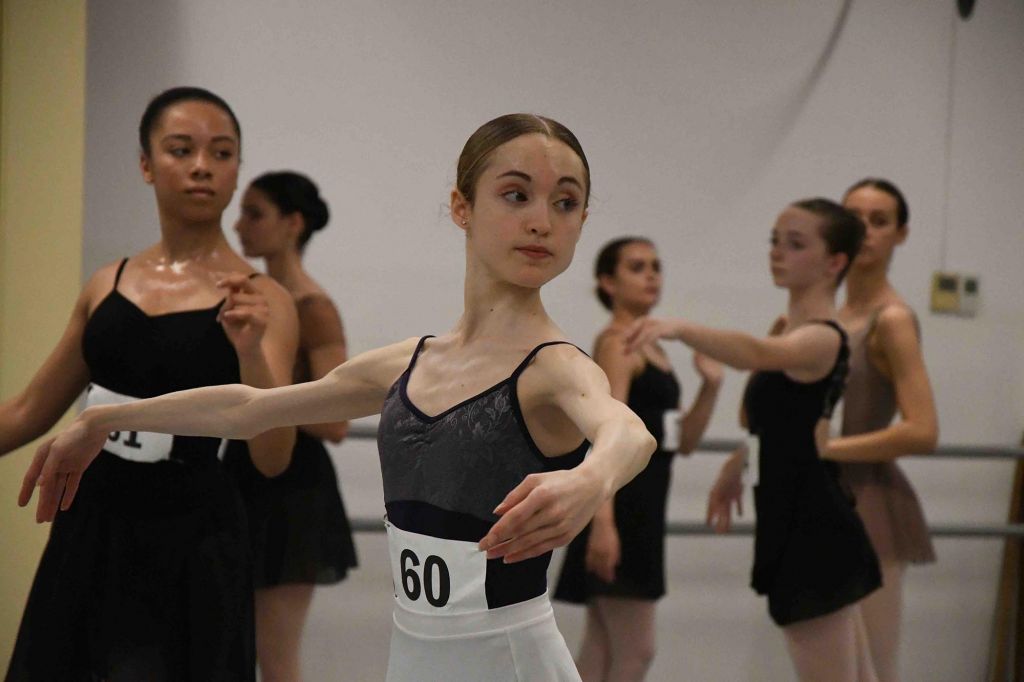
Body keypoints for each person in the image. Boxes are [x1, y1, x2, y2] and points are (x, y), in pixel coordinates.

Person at [21, 113, 658, 682]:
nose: (542, 220)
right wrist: (106, 419)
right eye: (516, 195)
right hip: (413, 654)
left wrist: (590, 479)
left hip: (512, 659)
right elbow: (250, 408)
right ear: (461, 207)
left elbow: (628, 432)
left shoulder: (555, 367)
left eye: (566, 203)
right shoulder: (409, 362)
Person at [3, 86, 299, 681]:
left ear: (237, 170)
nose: (202, 167)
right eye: (181, 149)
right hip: (91, 521)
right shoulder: (106, 283)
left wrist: (249, 352)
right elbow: (30, 409)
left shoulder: (262, 298)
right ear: (146, 164)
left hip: (195, 534)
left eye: (221, 153)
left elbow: (273, 457)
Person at [626, 198, 881, 682]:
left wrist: (681, 328)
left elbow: (756, 354)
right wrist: (739, 463)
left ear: (835, 262)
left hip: (814, 530)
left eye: (795, 243)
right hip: (797, 520)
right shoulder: (788, 330)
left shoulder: (823, 337)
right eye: (774, 241)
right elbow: (775, 421)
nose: (777, 252)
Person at [554, 237, 722, 680]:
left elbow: (682, 442)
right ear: (608, 282)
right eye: (637, 267)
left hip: (644, 507)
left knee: (602, 647)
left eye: (655, 266)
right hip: (621, 508)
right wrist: (603, 524)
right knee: (637, 650)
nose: (651, 275)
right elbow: (605, 436)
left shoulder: (654, 349)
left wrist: (711, 387)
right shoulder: (617, 342)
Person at [226, 171, 359, 682]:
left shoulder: (313, 308)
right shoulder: (248, 297)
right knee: (232, 647)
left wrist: (270, 392)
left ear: (293, 224)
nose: (239, 225)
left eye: (254, 213)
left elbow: (335, 421)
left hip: (291, 490)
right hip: (241, 474)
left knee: (276, 657)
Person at [821, 178, 938, 682]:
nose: (864, 230)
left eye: (879, 220)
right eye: (854, 217)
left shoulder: (892, 320)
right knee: (833, 665)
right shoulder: (831, 315)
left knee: (873, 665)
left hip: (870, 500)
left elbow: (923, 430)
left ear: (901, 233)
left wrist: (826, 448)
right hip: (822, 498)